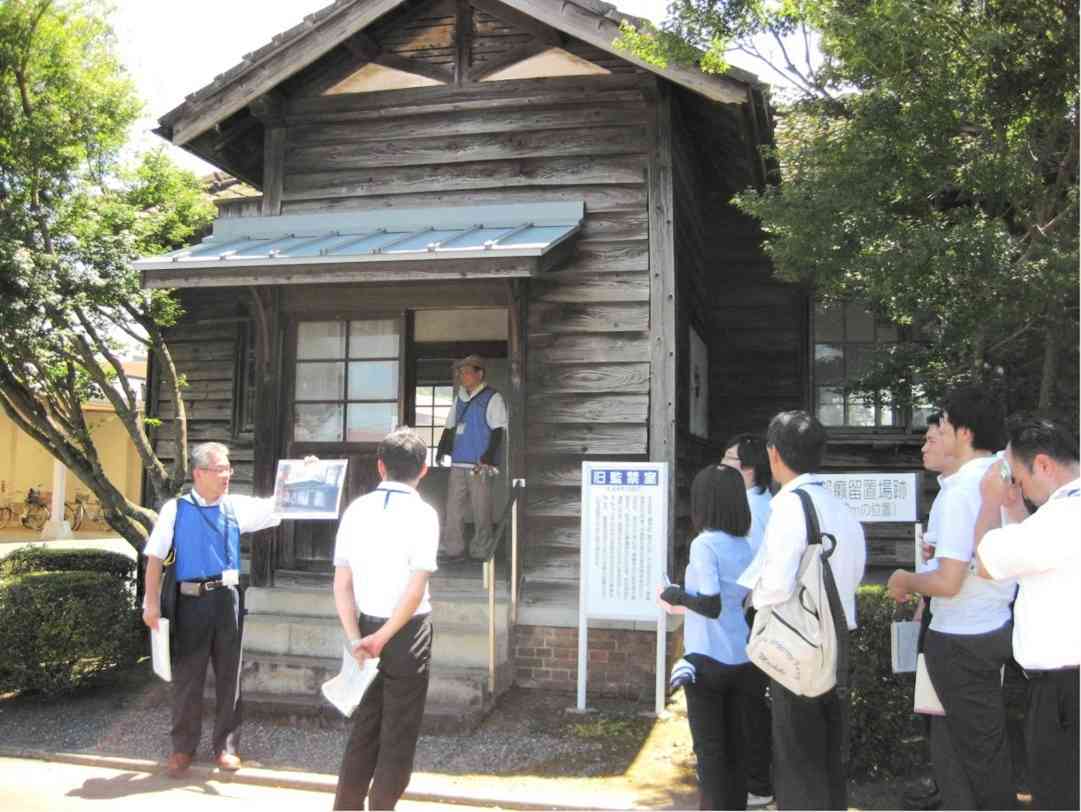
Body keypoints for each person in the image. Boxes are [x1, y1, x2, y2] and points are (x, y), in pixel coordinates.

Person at [886, 386, 1016, 810]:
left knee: (975, 760)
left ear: (964, 432)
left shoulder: (962, 490)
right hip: (988, 628)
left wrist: (904, 578)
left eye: (941, 425)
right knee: (962, 755)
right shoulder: (1000, 477)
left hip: (961, 638)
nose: (936, 433)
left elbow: (948, 582)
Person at [738, 410, 866, 810]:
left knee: (796, 758)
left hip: (799, 645)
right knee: (828, 756)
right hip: (838, 642)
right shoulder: (839, 506)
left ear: (774, 455)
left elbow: (775, 585)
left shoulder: (790, 506)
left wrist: (752, 599)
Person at [142, 442, 285, 778]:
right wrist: (150, 603)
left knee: (229, 676)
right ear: (199, 473)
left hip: (227, 600)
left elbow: (279, 504)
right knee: (188, 678)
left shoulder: (236, 506)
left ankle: (226, 747)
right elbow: (154, 559)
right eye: (220, 469)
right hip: (189, 601)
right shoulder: (175, 510)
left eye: (228, 468)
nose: (227, 475)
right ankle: (182, 748)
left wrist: (305, 474)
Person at [973, 415, 1080, 811]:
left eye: (1018, 476)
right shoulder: (1056, 520)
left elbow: (985, 562)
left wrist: (989, 502)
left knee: (1061, 798)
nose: (1018, 487)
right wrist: (1017, 508)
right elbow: (1032, 555)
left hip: (1064, 694)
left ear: (1045, 465)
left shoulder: (1060, 518)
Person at [332, 427, 438, 811]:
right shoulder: (424, 514)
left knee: (366, 725)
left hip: (363, 626)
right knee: (399, 731)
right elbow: (414, 589)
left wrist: (356, 637)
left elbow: (342, 583)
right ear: (423, 469)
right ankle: (381, 806)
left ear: (380, 467)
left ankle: (346, 805)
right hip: (408, 632)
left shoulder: (356, 510)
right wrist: (387, 635)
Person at [659, 464, 758, 810]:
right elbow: (735, 603)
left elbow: (711, 605)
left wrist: (676, 595)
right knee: (736, 748)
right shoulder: (744, 545)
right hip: (741, 657)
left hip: (706, 660)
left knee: (711, 753)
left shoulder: (704, 545)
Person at [902, 412, 954, 811]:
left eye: (933, 437)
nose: (925, 446)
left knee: (945, 708)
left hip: (957, 622)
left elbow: (950, 573)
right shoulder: (946, 493)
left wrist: (915, 587)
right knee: (932, 704)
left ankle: (948, 786)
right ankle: (940, 782)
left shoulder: (963, 494)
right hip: (937, 611)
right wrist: (923, 601)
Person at [721, 434, 773, 808]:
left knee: (751, 701)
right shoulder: (750, 503)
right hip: (743, 611)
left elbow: (753, 570)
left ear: (749, 469)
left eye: (729, 459)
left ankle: (758, 784)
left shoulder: (757, 509)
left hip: (751, 612)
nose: (722, 464)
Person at [436, 355, 508, 561]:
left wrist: (488, 458)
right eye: (460, 372)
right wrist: (442, 450)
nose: (462, 376)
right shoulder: (459, 398)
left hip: (479, 464)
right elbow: (450, 427)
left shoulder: (492, 397)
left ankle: (481, 550)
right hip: (458, 461)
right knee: (453, 509)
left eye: (466, 372)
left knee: (481, 509)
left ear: (480, 373)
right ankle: (453, 549)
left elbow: (498, 431)